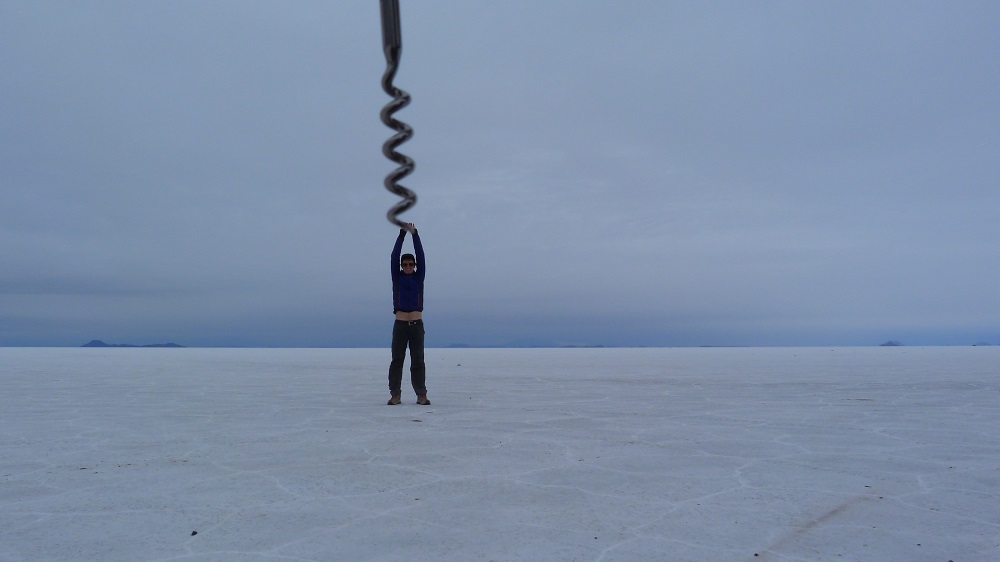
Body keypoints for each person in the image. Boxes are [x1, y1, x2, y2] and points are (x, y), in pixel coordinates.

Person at [387, 222, 429, 405]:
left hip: (416, 325)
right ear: (401, 266)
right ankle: (395, 394)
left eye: (411, 264)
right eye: (405, 264)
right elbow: (393, 256)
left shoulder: (419, 278)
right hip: (400, 325)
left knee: (418, 360)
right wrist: (402, 235)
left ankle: (421, 394)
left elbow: (421, 255)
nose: (408, 266)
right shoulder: (397, 278)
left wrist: (415, 235)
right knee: (397, 360)